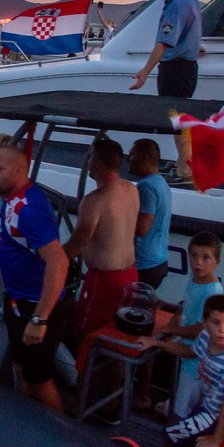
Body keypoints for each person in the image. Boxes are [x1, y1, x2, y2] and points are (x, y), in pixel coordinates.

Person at [0, 145, 72, 410]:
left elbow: (58, 262)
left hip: (35, 307)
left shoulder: (29, 210)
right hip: (18, 301)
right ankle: (25, 417)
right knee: (22, 367)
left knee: (39, 378)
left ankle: (58, 435)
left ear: (18, 171)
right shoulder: (12, 198)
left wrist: (39, 318)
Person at [139, 294, 224, 447]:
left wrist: (216, 439)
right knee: (173, 442)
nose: (222, 330)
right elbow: (190, 351)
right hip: (210, 407)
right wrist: (156, 342)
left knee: (171, 437)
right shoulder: (204, 338)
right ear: (205, 323)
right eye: (215, 323)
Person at [62, 138, 140, 334]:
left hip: (105, 282)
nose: (87, 163)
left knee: (90, 336)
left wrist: (49, 259)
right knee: (118, 336)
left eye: (89, 158)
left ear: (97, 162)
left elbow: (76, 244)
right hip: (130, 275)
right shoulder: (131, 189)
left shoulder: (94, 200)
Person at [158, 232, 224, 419]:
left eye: (205, 257)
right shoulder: (195, 280)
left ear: (216, 262)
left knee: (181, 414)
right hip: (188, 356)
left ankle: (176, 440)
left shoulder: (212, 292)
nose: (198, 263)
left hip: (197, 367)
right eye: (194, 256)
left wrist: (172, 330)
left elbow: (201, 330)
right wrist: (173, 323)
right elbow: (185, 305)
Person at [131, 0, 201, 98]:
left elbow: (163, 42)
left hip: (176, 70)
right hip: (186, 68)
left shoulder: (177, 5)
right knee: (178, 112)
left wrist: (145, 72)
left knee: (170, 112)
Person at [130, 138, 172, 289]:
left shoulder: (145, 186)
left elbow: (142, 229)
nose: (128, 159)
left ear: (145, 158)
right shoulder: (161, 183)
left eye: (132, 155)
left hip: (144, 264)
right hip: (159, 260)